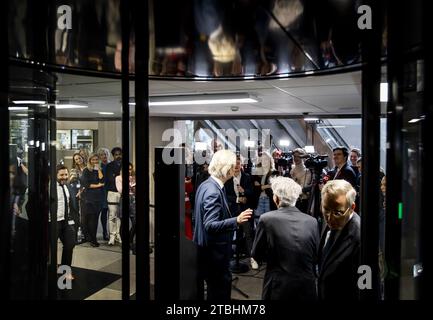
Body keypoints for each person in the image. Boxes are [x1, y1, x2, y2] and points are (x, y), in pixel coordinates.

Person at [193, 149, 253, 301]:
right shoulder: (213, 191)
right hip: (215, 255)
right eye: (233, 166)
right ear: (226, 168)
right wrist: (236, 220)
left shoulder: (206, 185)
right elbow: (210, 225)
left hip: (206, 252)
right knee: (219, 294)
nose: (236, 169)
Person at [252, 176, 319, 300]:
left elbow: (257, 254)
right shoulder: (312, 221)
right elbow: (315, 256)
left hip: (278, 288)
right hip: (307, 287)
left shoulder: (266, 219)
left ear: (276, 198)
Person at [318, 179, 360, 300]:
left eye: (337, 212)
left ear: (352, 207)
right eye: (326, 210)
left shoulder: (360, 239)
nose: (330, 218)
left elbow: (366, 287)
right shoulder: (331, 219)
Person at [224, 156, 257, 269]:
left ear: (241, 164)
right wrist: (237, 199)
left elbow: (252, 192)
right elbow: (225, 195)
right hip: (232, 209)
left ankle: (252, 258)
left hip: (245, 209)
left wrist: (244, 192)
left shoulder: (247, 177)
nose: (237, 166)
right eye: (234, 164)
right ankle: (227, 257)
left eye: (238, 163)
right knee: (229, 233)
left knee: (248, 234)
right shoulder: (228, 177)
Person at [55, 165, 78, 280]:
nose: (64, 177)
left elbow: (71, 203)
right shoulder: (49, 187)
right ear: (56, 175)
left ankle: (65, 271)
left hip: (66, 220)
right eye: (61, 175)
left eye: (66, 174)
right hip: (53, 222)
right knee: (50, 248)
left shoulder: (67, 186)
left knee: (70, 244)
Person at [81, 153, 104, 247]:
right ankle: (92, 239)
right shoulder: (86, 170)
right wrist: (98, 185)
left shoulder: (98, 170)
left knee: (95, 219)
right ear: (89, 160)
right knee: (92, 220)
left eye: (96, 160)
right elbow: (86, 184)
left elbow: (102, 180)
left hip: (98, 198)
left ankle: (91, 238)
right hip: (89, 198)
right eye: (93, 160)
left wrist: (98, 169)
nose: (95, 161)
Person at [106, 147, 122, 245]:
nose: (118, 156)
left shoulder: (126, 165)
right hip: (112, 192)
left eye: (120, 154)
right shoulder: (109, 166)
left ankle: (118, 234)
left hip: (122, 193)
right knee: (112, 215)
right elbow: (109, 179)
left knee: (119, 216)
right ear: (113, 156)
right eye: (116, 154)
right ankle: (111, 236)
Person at [290, 148, 312, 213]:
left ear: (302, 157)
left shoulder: (307, 171)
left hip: (301, 201)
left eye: (298, 156)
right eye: (294, 156)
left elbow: (303, 188)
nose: (296, 158)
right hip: (292, 200)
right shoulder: (292, 169)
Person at [97, 147, 112, 240]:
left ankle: (114, 233)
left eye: (106, 154)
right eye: (102, 155)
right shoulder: (98, 166)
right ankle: (105, 232)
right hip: (101, 191)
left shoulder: (111, 164)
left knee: (113, 213)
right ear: (99, 156)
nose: (104, 156)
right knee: (104, 212)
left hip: (111, 190)